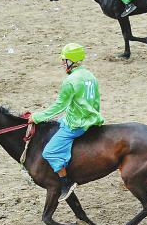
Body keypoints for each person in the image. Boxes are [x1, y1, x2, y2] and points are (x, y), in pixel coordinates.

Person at [28, 43, 104, 202]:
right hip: (92, 118)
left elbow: (59, 106)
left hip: (76, 124)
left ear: (72, 60)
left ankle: (65, 181)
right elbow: (96, 101)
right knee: (57, 124)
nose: (62, 62)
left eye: (65, 59)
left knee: (49, 152)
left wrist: (37, 117)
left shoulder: (70, 81)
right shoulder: (90, 76)